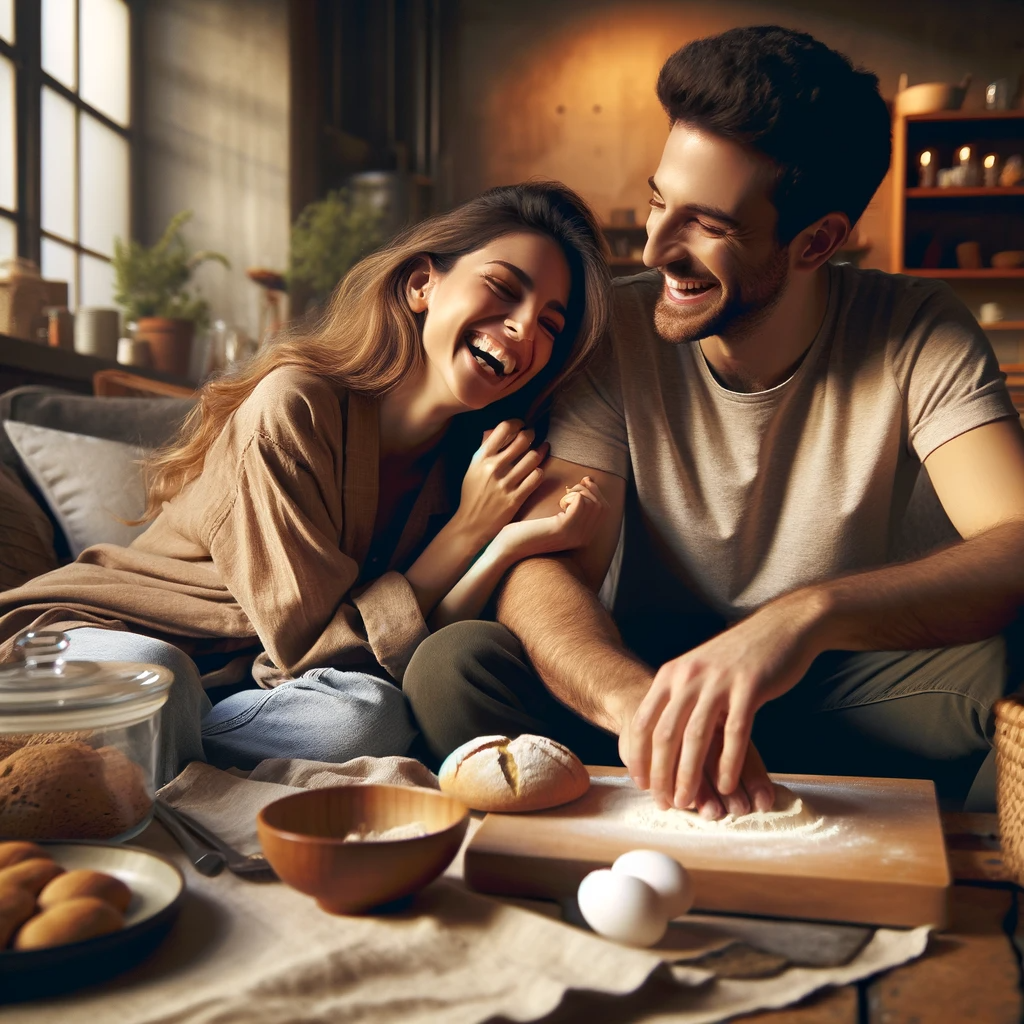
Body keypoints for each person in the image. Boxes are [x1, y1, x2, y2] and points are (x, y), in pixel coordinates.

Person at [403, 26, 1024, 815]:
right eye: (661, 200)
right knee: (455, 662)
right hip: (646, 689)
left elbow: (1015, 541)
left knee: (1008, 664)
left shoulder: (916, 328)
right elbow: (546, 568)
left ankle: (970, 895)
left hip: (832, 687)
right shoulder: (616, 330)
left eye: (708, 224)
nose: (658, 246)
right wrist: (635, 706)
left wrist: (806, 617)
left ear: (818, 241)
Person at [0, 181, 611, 785]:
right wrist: (468, 529)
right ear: (422, 283)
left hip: (238, 693)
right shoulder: (294, 406)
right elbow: (316, 651)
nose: (524, 331)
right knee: (157, 678)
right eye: (504, 288)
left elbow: (393, 655)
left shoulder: (472, 465)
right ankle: (183, 776)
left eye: (550, 325)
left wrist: (504, 542)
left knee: (366, 718)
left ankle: (171, 771)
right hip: (106, 644)